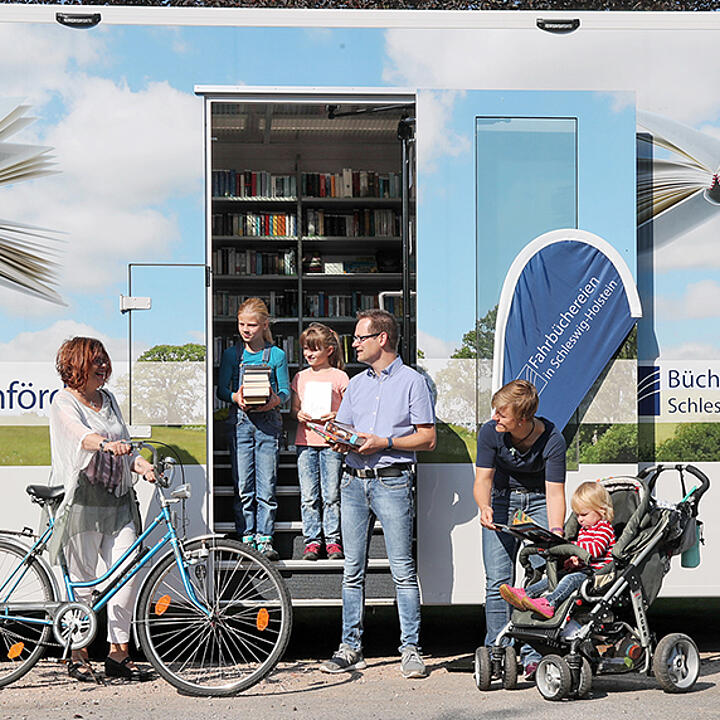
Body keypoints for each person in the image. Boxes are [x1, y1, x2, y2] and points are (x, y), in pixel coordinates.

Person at [320, 309, 436, 679]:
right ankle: (350, 647)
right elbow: (348, 429)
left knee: (402, 570)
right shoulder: (357, 384)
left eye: (359, 337)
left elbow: (428, 438)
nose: (353, 344)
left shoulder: (413, 382)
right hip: (353, 481)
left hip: (392, 481)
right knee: (352, 571)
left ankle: (411, 649)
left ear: (381, 339)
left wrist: (383, 442)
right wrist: (337, 436)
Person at [48, 336, 157, 682]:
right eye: (95, 361)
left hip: (117, 500)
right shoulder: (64, 401)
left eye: (104, 361)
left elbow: (122, 439)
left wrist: (142, 465)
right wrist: (106, 444)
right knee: (81, 581)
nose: (103, 367)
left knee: (126, 574)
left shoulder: (108, 399)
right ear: (77, 365)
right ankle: (78, 653)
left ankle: (118, 653)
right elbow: (80, 436)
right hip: (83, 500)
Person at [473, 379, 566, 680]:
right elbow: (483, 480)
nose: (495, 418)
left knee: (540, 580)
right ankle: (498, 652)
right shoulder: (490, 432)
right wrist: (483, 506)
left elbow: (554, 493)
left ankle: (533, 654)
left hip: (537, 501)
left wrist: (555, 530)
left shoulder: (553, 439)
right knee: (498, 581)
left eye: (502, 414)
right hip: (500, 501)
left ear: (523, 419)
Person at [217, 297, 290, 560]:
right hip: (241, 424)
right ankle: (246, 536)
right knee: (243, 484)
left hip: (268, 426)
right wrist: (236, 397)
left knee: (267, 485)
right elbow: (222, 390)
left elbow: (285, 391)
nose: (246, 330)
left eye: (252, 325)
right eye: (241, 324)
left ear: (264, 325)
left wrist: (274, 401)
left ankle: (265, 538)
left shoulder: (277, 355)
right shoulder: (231, 355)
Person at [500, 481, 616, 619]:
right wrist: (574, 561)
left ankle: (550, 603)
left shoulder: (604, 528)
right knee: (554, 576)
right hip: (585, 570)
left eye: (584, 514)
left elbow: (594, 551)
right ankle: (526, 594)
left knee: (570, 579)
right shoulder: (584, 530)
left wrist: (571, 547)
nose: (580, 519)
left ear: (601, 510)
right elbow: (583, 554)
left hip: (598, 575)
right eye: (577, 515)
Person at [290, 323, 349, 561]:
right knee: (309, 495)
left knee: (331, 495)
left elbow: (351, 411)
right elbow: (294, 409)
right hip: (305, 442)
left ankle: (333, 541)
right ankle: (312, 541)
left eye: (314, 349)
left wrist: (337, 415)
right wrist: (299, 414)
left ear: (330, 350)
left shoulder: (340, 376)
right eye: (305, 349)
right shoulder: (301, 376)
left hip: (331, 443)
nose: (309, 354)